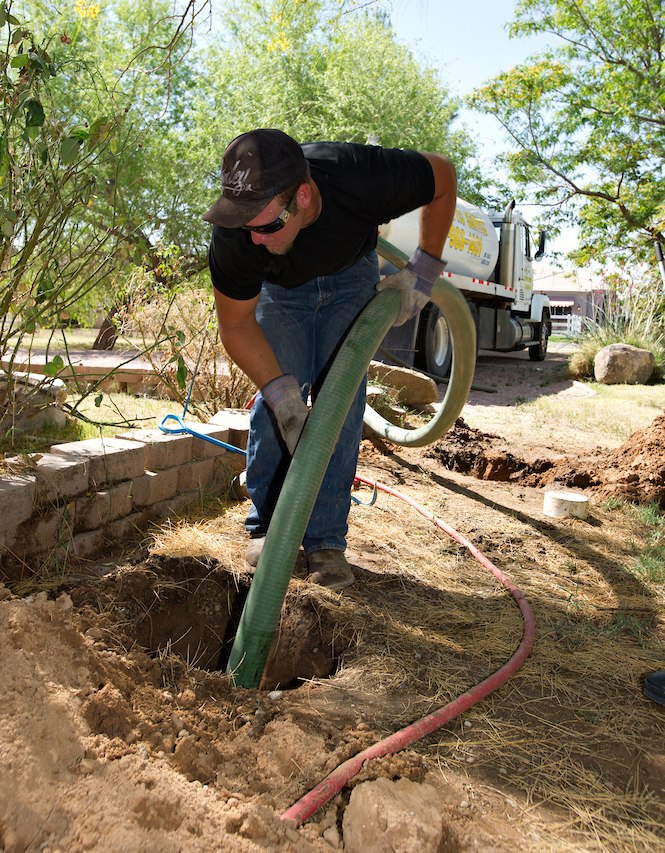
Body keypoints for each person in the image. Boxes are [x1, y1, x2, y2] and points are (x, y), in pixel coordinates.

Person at [204, 128, 456, 589]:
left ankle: (325, 541)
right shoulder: (239, 233)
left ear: (302, 196)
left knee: (340, 405)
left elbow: (442, 175)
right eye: (246, 227)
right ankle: (268, 527)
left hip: (349, 276)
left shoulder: (358, 175)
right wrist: (281, 395)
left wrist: (423, 269)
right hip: (281, 291)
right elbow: (236, 325)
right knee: (277, 404)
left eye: (265, 226)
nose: (254, 238)